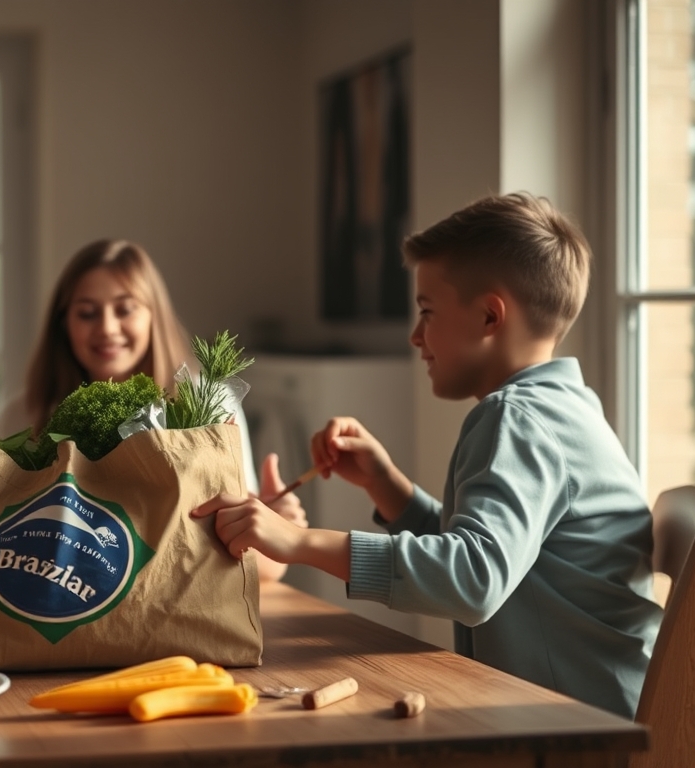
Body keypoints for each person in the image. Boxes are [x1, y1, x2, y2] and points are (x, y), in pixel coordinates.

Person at [193, 193, 661, 719]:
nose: (416, 337)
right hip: (591, 710)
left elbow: (473, 578)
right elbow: (496, 556)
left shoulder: (518, 419)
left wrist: (298, 542)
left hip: (578, 727)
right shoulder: (562, 407)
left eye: (427, 312)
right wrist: (385, 485)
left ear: (489, 315)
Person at [0, 238, 307, 589]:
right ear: (63, 323)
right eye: (87, 312)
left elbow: (264, 565)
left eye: (125, 309)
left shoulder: (206, 402)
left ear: (153, 316)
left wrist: (273, 525)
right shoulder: (25, 411)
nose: (106, 327)